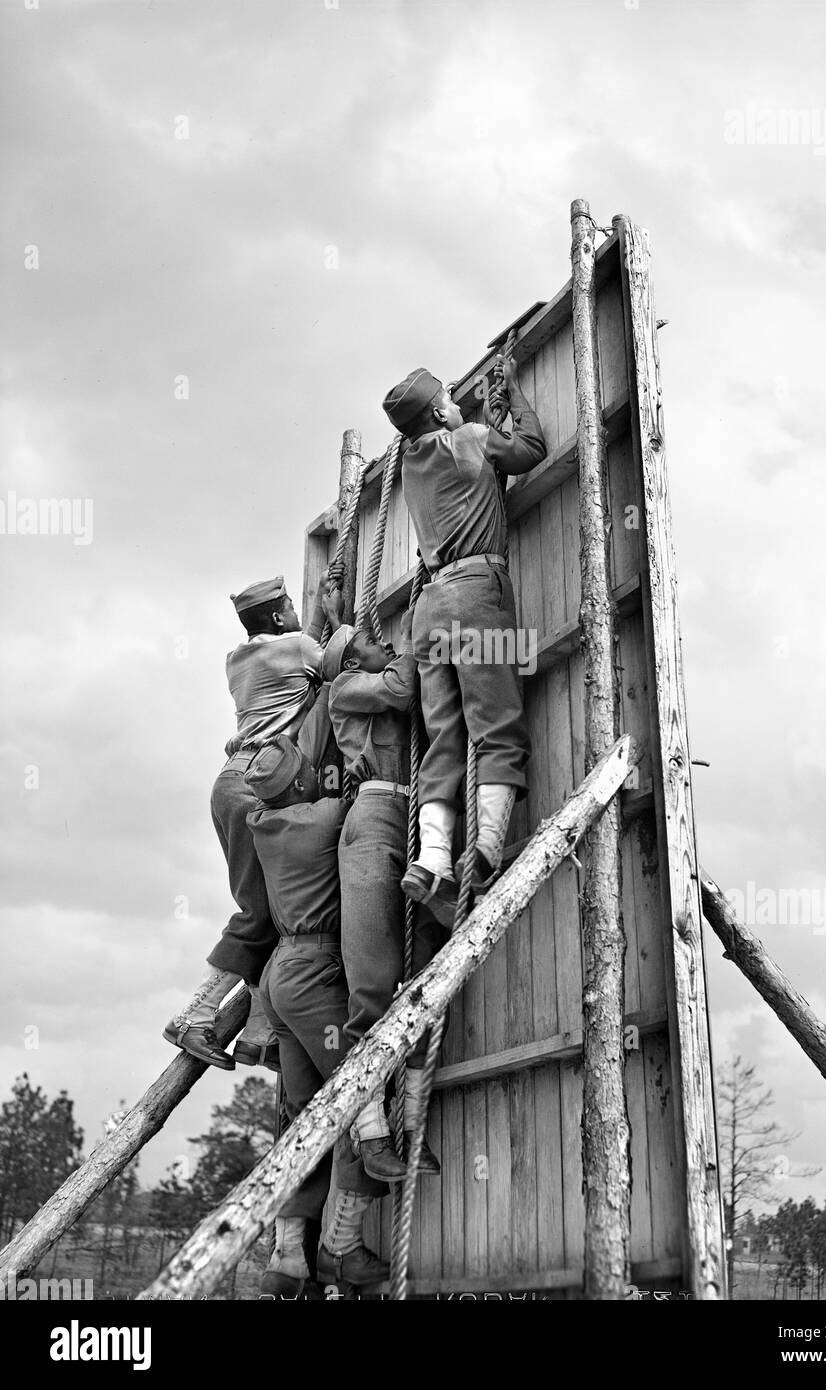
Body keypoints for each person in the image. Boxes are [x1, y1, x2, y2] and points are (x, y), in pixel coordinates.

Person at [382, 359, 546, 924]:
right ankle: (486, 847)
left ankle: (431, 860)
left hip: (428, 610)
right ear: (437, 411)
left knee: (443, 736)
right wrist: (511, 400)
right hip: (478, 594)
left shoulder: (409, 464)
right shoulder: (471, 439)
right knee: (497, 723)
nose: (456, 401)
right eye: (448, 397)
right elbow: (530, 451)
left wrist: (456, 417)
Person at [163, 576, 341, 1072]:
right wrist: (336, 610)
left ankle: (256, 1037)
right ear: (281, 617)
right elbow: (342, 661)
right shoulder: (298, 647)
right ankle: (195, 1015)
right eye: (290, 606)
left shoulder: (236, 660)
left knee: (277, 909)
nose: (297, 611)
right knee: (262, 909)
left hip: (230, 781)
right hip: (255, 789)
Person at [244, 725, 388, 1296]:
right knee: (356, 1098)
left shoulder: (263, 823)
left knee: (307, 1118)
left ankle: (288, 1257)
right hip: (313, 972)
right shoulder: (325, 818)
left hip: (278, 975)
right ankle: (342, 1248)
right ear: (300, 780)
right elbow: (366, 795)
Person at [320, 583, 446, 1183]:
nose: (385, 642)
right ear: (349, 662)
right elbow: (399, 683)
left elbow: (377, 662)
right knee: (371, 984)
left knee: (422, 983)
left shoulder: (359, 669)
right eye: (372, 641)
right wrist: (410, 635)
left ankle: (413, 1129)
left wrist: (338, 613)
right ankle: (371, 1133)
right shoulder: (347, 687)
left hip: (411, 814)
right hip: (372, 820)